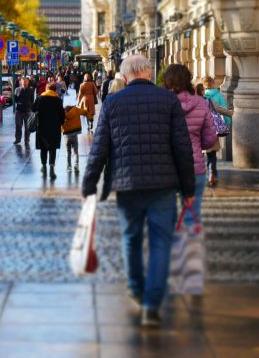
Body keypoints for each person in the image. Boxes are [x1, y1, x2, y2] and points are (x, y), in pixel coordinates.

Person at [82, 55, 194, 328]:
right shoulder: (168, 100)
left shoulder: (112, 103)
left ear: (125, 75)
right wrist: (188, 188)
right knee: (160, 244)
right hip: (163, 185)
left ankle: (135, 287)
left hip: (127, 183)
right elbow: (182, 148)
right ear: (148, 71)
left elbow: (100, 149)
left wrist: (89, 183)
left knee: (130, 239)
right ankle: (152, 304)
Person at [163, 65, 217, 224]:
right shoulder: (201, 103)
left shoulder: (162, 104)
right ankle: (189, 247)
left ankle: (169, 247)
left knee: (166, 218)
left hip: (167, 168)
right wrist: (197, 143)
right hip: (195, 166)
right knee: (191, 217)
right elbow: (210, 138)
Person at [31, 82, 65, 179]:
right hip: (54, 128)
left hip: (41, 127)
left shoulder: (40, 98)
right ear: (55, 90)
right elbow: (62, 115)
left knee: (43, 148)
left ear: (46, 89)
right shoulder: (58, 100)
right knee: (52, 148)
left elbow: (32, 109)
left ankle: (44, 167)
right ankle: (51, 170)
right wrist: (62, 123)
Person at [202, 76, 231, 187]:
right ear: (213, 83)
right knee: (213, 151)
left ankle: (210, 171)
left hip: (203, 127)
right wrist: (228, 123)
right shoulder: (218, 96)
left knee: (207, 151)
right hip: (214, 127)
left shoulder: (202, 96)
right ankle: (212, 172)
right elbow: (224, 109)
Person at [62, 104, 88, 172]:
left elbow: (60, 123)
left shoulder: (63, 114)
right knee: (76, 151)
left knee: (68, 152)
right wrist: (89, 116)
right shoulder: (76, 110)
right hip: (74, 135)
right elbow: (84, 112)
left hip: (67, 136)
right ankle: (76, 165)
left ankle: (69, 167)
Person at [13, 77, 35, 145]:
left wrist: (29, 106)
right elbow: (15, 99)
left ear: (28, 82)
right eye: (23, 81)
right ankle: (17, 139)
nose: (24, 83)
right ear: (21, 82)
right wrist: (19, 102)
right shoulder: (17, 89)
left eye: (26, 81)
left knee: (27, 127)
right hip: (19, 110)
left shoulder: (31, 90)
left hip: (27, 111)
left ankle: (27, 140)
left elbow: (32, 100)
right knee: (18, 125)